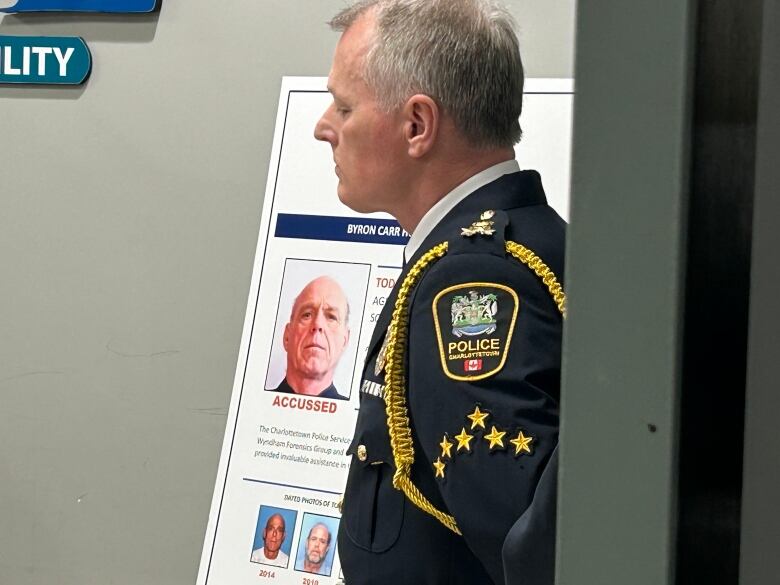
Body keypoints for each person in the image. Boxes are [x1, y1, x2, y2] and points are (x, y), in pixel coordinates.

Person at [314, 1, 566, 584]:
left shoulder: (469, 281)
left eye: (344, 105)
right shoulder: (532, 240)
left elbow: (528, 550)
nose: (324, 125)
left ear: (417, 126)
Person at [268, 275, 350, 400]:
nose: (317, 324)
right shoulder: (256, 403)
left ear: (344, 341)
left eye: (331, 317)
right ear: (287, 336)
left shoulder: (355, 417)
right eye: (307, 315)